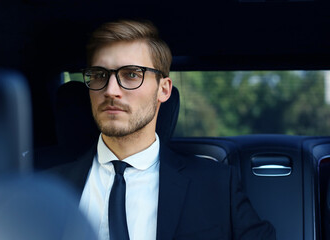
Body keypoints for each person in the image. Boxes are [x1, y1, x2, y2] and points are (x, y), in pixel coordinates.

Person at [48, 19, 276, 240]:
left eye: (131, 74)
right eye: (99, 75)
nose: (111, 90)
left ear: (163, 90)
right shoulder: (44, 188)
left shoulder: (215, 185)